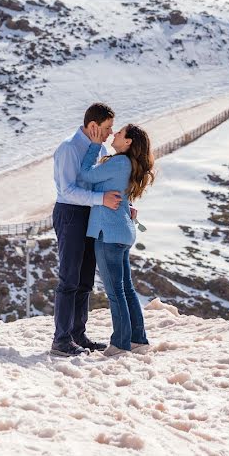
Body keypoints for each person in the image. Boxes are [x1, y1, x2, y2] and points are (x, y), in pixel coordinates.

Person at [50, 103, 121, 357]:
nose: (111, 133)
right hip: (70, 215)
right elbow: (67, 190)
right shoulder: (69, 148)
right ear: (93, 126)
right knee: (69, 279)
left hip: (91, 215)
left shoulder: (99, 147)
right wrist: (101, 199)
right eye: (107, 128)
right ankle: (61, 340)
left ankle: (78, 335)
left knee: (85, 280)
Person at [78, 124, 155, 357]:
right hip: (120, 231)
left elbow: (86, 175)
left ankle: (120, 343)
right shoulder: (125, 163)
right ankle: (137, 340)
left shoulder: (119, 162)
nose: (114, 134)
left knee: (115, 292)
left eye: (119, 133)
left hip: (109, 233)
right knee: (126, 289)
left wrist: (93, 146)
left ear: (129, 141)